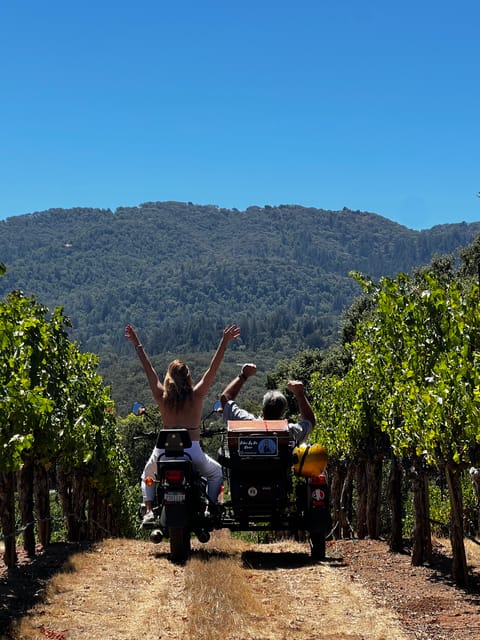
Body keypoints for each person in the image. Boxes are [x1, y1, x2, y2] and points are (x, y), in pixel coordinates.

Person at [125, 323, 241, 523]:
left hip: (163, 452)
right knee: (215, 473)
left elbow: (149, 370)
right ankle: (209, 507)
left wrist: (137, 343)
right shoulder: (196, 396)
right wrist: (224, 342)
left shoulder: (162, 397)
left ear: (168, 377)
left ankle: (150, 510)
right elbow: (212, 371)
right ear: (188, 377)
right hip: (193, 452)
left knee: (147, 474)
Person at [220, 362, 315, 445]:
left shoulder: (246, 422)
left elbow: (225, 399)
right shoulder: (290, 431)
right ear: (282, 413)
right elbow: (310, 422)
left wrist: (243, 376)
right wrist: (299, 394)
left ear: (263, 409)